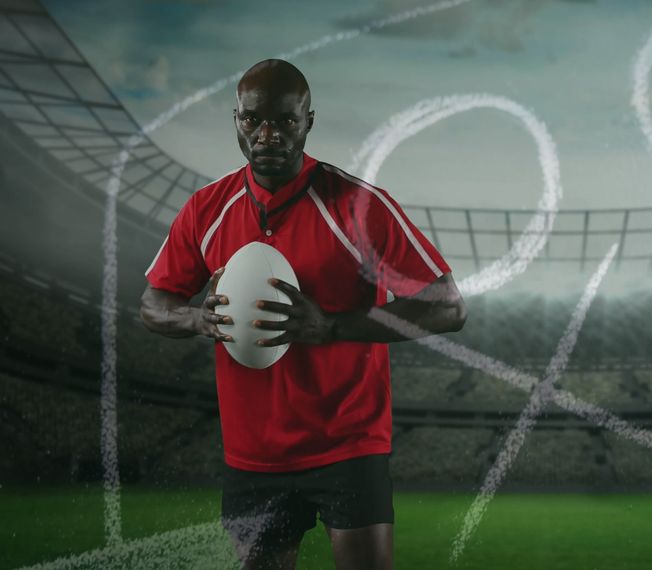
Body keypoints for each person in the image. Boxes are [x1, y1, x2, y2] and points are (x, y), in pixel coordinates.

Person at [139, 58, 467, 570]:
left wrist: (332, 327)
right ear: (236, 120)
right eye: (252, 120)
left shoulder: (359, 206)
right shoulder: (206, 209)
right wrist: (198, 320)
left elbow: (447, 306)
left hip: (347, 443)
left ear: (308, 121)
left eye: (284, 120)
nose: (266, 134)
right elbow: (153, 305)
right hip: (253, 452)